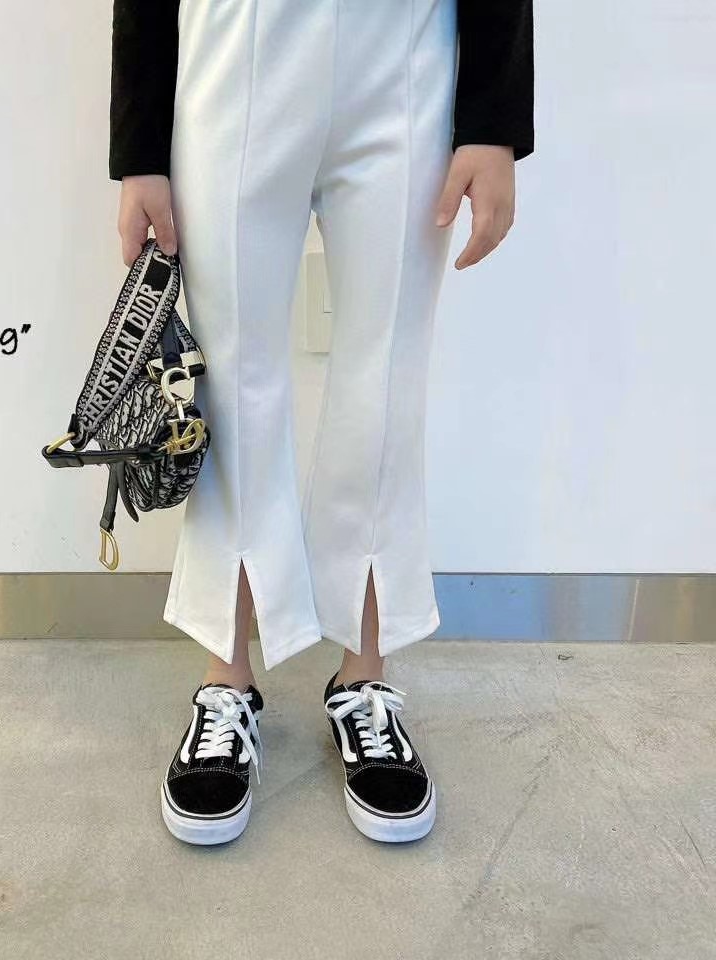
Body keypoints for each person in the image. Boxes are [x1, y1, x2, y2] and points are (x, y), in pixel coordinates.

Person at [108, 0, 533, 845]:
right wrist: (139, 148)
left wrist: (492, 121)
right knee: (229, 382)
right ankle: (227, 680)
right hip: (236, 42)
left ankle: (364, 678)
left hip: (402, 48)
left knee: (388, 374)